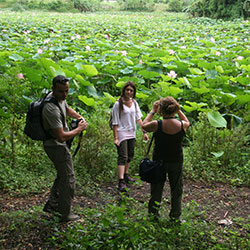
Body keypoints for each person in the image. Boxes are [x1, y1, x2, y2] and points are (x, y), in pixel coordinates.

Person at [42, 75, 88, 222]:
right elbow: (61, 136)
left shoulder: (59, 98)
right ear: (53, 89)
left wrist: (79, 117)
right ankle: (65, 213)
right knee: (69, 178)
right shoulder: (50, 108)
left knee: (62, 175)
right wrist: (79, 129)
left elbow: (67, 109)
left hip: (59, 144)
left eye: (67, 91)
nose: (65, 95)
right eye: (62, 91)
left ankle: (53, 204)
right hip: (55, 146)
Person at [142, 96, 190, 222]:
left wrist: (152, 111)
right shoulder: (182, 125)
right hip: (176, 161)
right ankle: (175, 216)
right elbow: (187, 121)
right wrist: (178, 110)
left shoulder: (157, 125)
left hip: (159, 161)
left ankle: (153, 215)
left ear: (161, 110)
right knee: (176, 190)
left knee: (156, 189)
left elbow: (144, 125)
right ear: (174, 109)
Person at [111, 81, 149, 192]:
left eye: (131, 90)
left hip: (131, 132)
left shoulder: (135, 103)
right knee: (123, 155)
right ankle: (121, 181)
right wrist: (116, 138)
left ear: (133, 92)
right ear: (124, 91)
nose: (129, 92)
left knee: (130, 154)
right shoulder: (118, 104)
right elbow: (115, 122)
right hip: (121, 132)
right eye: (127, 90)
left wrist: (144, 132)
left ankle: (126, 175)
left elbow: (139, 119)